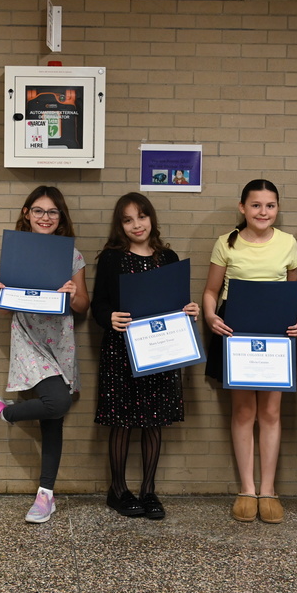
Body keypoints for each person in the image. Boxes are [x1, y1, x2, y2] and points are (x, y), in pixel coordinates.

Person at [0, 186, 89, 524]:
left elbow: (83, 306)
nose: (46, 217)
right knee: (57, 402)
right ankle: (9, 414)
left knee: (53, 417)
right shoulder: (14, 251)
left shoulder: (71, 255)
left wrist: (72, 294)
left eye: (53, 212)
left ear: (61, 218)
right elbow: (3, 312)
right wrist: (0, 294)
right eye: (39, 210)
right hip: (29, 340)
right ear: (27, 213)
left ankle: (46, 496)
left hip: (60, 341)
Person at [92, 193, 198, 520]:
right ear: (119, 225)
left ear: (151, 218)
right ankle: (119, 490)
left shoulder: (168, 258)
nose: (136, 225)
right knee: (122, 423)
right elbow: (99, 306)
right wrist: (109, 317)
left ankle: (149, 490)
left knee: (154, 422)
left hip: (160, 350)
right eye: (127, 220)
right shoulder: (111, 259)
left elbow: (177, 304)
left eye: (141, 216)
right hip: (122, 351)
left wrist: (189, 311)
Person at [202, 180, 297, 524]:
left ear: (277, 208)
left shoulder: (288, 243)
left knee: (271, 413)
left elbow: (295, 292)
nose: (263, 212)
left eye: (270, 205)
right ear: (242, 207)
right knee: (244, 411)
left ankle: (269, 490)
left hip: (276, 332)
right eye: (256, 205)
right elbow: (211, 291)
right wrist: (211, 316)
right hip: (236, 331)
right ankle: (247, 488)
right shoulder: (225, 243)